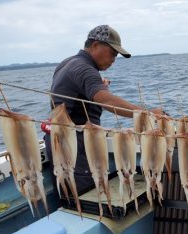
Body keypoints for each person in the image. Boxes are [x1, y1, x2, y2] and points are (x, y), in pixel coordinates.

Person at [44, 24, 162, 195]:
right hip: (75, 145)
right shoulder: (85, 69)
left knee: (70, 196)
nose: (114, 59)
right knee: (86, 198)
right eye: (113, 53)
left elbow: (78, 97)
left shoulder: (67, 63)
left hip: (58, 140)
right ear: (95, 45)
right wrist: (148, 114)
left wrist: (100, 87)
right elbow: (107, 101)